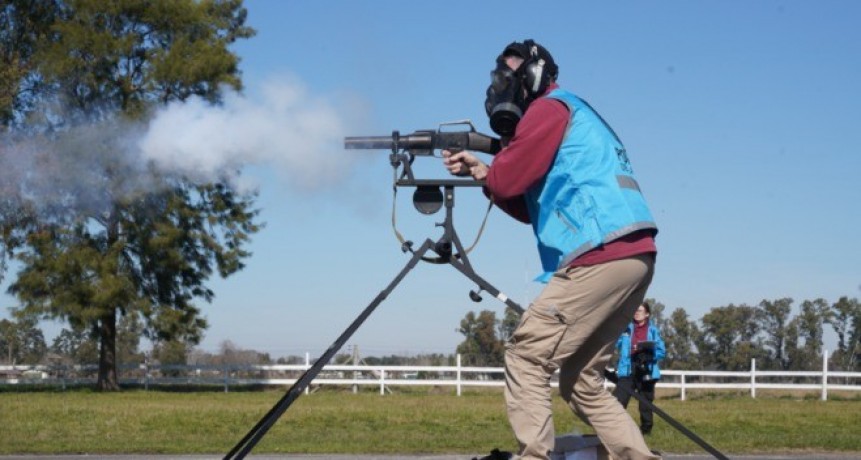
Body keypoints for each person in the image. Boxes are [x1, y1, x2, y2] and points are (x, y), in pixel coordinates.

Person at [444, 39, 660, 460]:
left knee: (526, 356)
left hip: (600, 253)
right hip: (632, 254)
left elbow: (507, 180)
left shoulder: (548, 109)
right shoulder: (572, 112)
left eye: (510, 73)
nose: (503, 84)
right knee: (580, 380)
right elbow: (524, 203)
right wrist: (483, 172)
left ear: (534, 72)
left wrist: (491, 167)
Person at [613, 301, 666, 435]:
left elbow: (661, 351)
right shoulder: (626, 329)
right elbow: (615, 344)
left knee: (645, 405)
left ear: (647, 314)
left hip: (646, 369)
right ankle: (617, 430)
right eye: (635, 310)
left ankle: (646, 431)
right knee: (618, 400)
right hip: (627, 369)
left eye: (640, 311)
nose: (637, 313)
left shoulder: (653, 331)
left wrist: (649, 354)